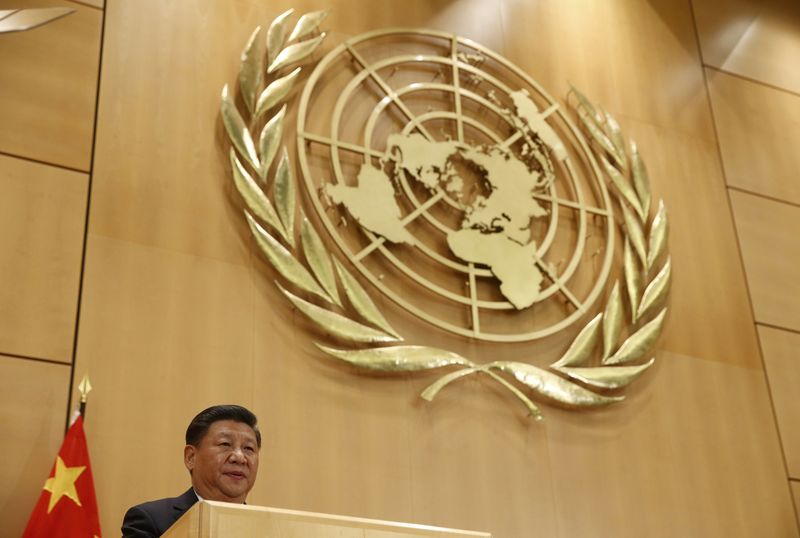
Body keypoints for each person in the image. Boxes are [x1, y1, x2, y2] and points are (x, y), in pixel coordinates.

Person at [121, 404, 261, 537]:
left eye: (248, 448)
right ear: (191, 457)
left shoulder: (269, 526)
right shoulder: (150, 521)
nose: (239, 457)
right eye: (225, 444)